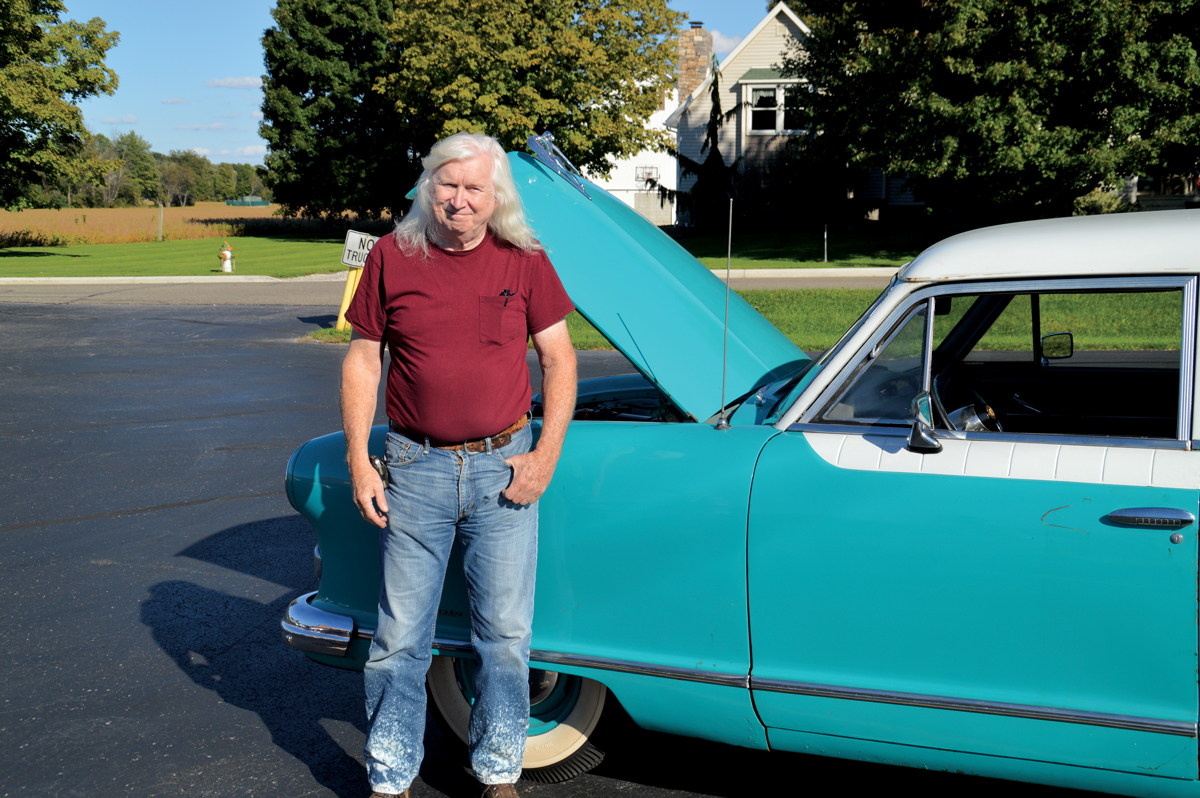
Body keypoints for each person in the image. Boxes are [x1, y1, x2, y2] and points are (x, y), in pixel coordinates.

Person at [340, 132, 577, 798]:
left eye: (475, 188)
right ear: (427, 185)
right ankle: (389, 779)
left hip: (505, 472)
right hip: (413, 470)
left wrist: (545, 456)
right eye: (449, 185)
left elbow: (559, 360)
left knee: (503, 637)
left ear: (494, 194)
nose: (460, 200)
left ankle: (499, 773)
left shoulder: (524, 259)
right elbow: (364, 359)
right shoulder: (391, 255)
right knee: (397, 641)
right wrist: (360, 460)